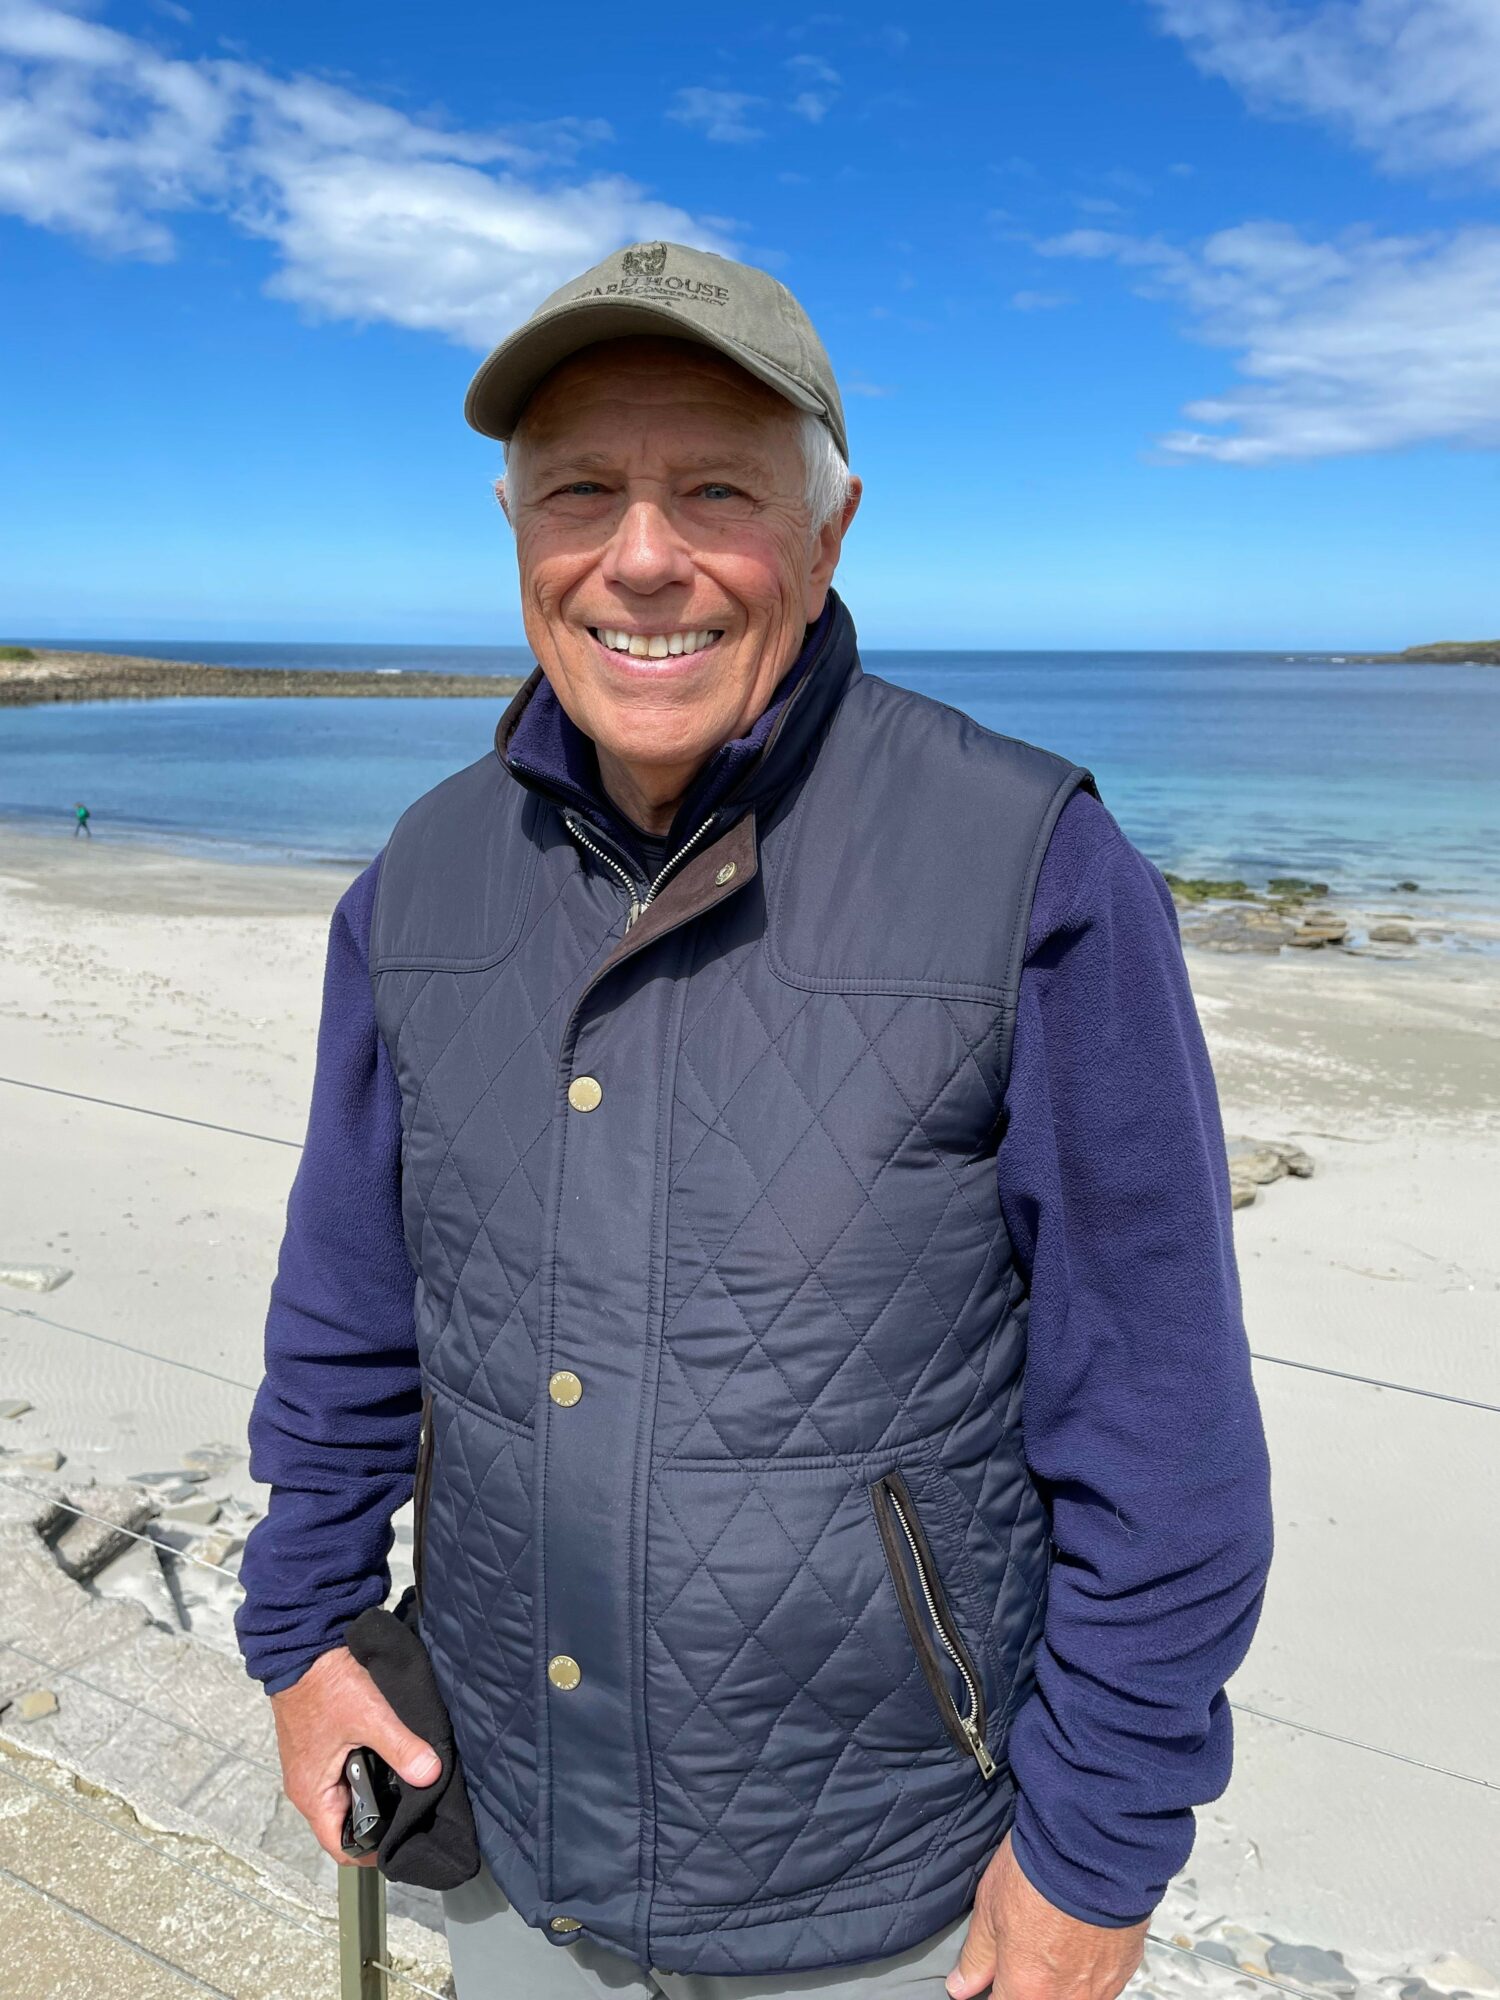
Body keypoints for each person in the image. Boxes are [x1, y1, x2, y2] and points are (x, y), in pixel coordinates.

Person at [236, 243, 1273, 2000]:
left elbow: (1163, 1428)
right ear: (514, 530)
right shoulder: (419, 876)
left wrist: (1097, 1847)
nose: (643, 557)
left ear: (830, 530)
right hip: (515, 1842)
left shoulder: (1037, 870)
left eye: (717, 489)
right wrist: (303, 1632)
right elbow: (345, 1319)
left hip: (891, 1890)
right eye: (582, 489)